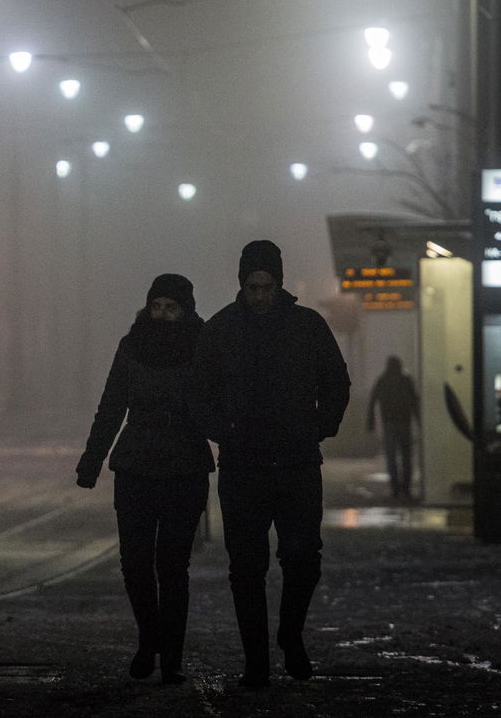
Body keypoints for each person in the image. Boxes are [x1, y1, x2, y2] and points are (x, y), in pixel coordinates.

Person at [189, 240, 350, 687]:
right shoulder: (227, 330)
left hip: (288, 460)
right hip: (251, 463)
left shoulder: (299, 327)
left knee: (300, 559)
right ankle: (260, 657)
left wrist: (320, 426)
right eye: (253, 286)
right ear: (243, 284)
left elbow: (336, 381)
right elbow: (198, 394)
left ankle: (285, 638)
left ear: (277, 283)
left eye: (265, 286)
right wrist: (225, 430)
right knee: (247, 566)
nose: (259, 294)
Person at [76, 273, 214, 685]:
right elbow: (111, 404)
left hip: (184, 466)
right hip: (136, 463)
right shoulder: (132, 345)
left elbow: (221, 400)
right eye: (157, 306)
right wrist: (92, 459)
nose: (163, 315)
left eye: (171, 308)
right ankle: (149, 640)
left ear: (185, 310)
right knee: (134, 563)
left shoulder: (203, 346)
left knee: (173, 566)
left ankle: (170, 656)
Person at [367, 356, 421, 500]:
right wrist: (420, 420)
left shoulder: (383, 380)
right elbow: (414, 401)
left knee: (391, 457)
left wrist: (370, 421)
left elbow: (373, 400)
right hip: (404, 421)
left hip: (389, 422)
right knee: (406, 456)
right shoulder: (406, 380)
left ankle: (395, 488)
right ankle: (406, 488)